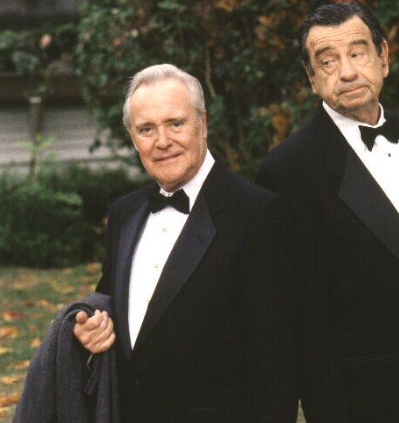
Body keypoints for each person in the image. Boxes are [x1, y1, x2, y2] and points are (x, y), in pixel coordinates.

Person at [256, 3, 399, 422]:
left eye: (357, 53)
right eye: (328, 61)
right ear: (312, 78)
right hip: (373, 400)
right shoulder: (287, 171)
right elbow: (302, 315)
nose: (347, 72)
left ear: (384, 58)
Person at [73, 63, 298, 423]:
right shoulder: (124, 212)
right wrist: (95, 327)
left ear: (203, 124)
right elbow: (113, 306)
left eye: (175, 123)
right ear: (133, 138)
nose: (162, 141)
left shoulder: (257, 213)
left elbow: (276, 363)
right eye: (146, 129)